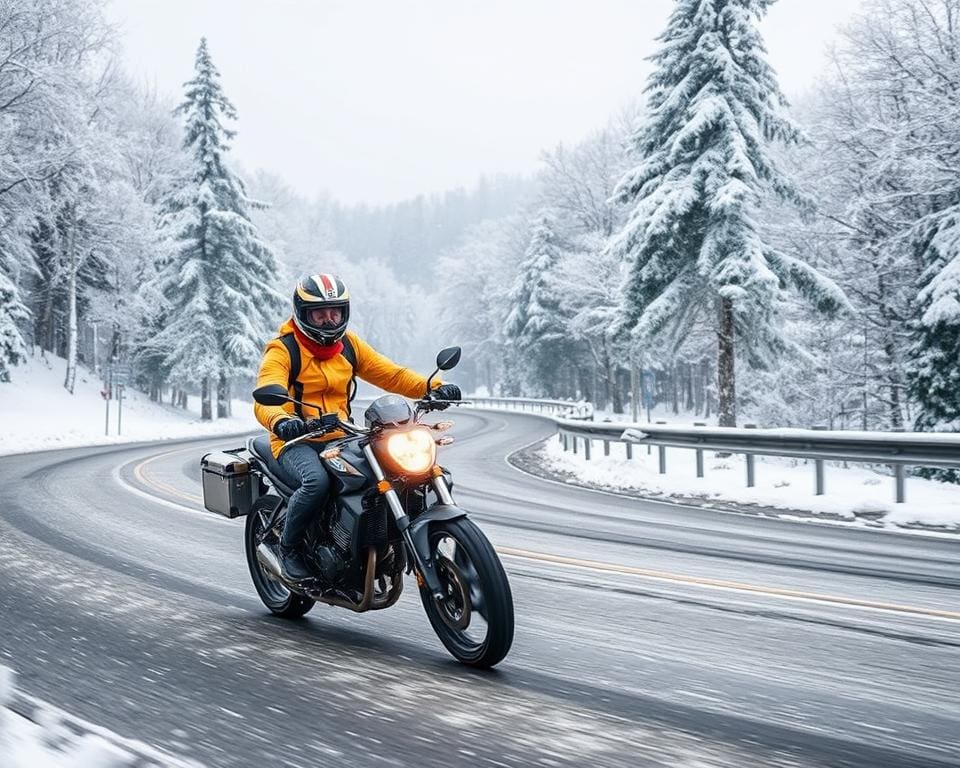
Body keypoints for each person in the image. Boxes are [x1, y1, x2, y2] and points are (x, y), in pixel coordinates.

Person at [254, 273, 461, 583]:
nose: (327, 320)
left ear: (344, 312)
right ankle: (290, 548)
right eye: (319, 314)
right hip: (297, 440)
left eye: (333, 312)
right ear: (302, 313)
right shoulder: (284, 350)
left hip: (341, 434)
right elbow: (266, 395)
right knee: (316, 483)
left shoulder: (348, 345)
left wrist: (433, 387)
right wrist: (282, 421)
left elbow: (391, 374)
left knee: (394, 472)